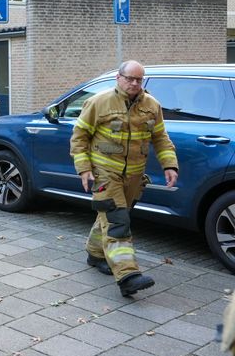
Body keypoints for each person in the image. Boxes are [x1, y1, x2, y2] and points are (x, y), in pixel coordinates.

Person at [70, 60, 178, 297]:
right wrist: (84, 168)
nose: (134, 83)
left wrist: (169, 164)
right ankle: (128, 276)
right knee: (118, 221)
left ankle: (95, 254)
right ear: (118, 78)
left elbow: (160, 138)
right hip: (104, 173)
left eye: (139, 79)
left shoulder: (152, 105)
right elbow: (79, 137)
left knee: (111, 217)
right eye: (130, 78)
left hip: (134, 176)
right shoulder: (99, 102)